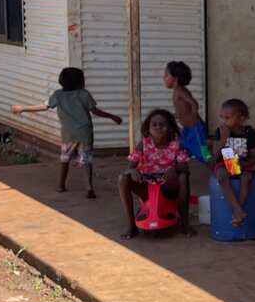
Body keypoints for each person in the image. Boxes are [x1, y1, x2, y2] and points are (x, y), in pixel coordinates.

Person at [12, 67, 121, 198]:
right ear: (80, 82)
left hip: (68, 135)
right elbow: (95, 111)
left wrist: (23, 108)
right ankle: (89, 188)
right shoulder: (84, 94)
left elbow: (43, 106)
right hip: (85, 134)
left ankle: (61, 185)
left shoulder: (58, 95)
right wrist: (112, 116)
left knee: (65, 160)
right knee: (86, 161)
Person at [119, 109, 192, 239]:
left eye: (162, 124)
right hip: (147, 187)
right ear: (149, 128)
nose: (158, 127)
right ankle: (132, 225)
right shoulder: (144, 144)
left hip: (167, 187)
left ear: (169, 128)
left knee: (183, 177)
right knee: (123, 178)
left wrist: (174, 169)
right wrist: (133, 171)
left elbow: (185, 168)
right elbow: (129, 168)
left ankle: (185, 224)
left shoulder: (176, 145)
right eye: (154, 124)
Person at [209, 98, 255, 228]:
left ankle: (239, 210)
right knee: (221, 174)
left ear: (241, 118)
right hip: (226, 164)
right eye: (222, 117)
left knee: (247, 178)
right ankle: (237, 209)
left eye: (228, 118)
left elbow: (254, 157)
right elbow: (215, 154)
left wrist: (243, 164)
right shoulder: (221, 131)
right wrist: (224, 138)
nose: (224, 121)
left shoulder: (250, 134)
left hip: (243, 165)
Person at [164, 60, 210, 164]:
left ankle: (231, 169)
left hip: (196, 130)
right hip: (188, 131)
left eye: (166, 75)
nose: (164, 78)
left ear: (175, 78)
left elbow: (194, 104)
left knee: (206, 157)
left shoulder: (180, 90)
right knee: (180, 150)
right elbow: (182, 112)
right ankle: (180, 175)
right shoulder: (177, 91)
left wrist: (193, 120)